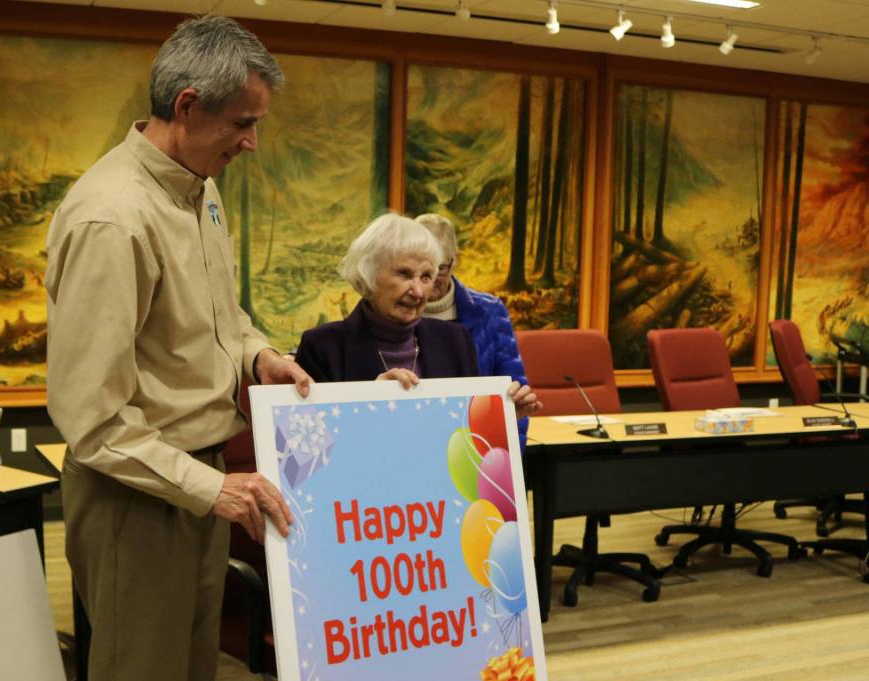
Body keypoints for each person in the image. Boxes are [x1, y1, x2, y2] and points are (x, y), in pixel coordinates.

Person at [44, 16, 312, 681]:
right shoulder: (113, 217)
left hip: (201, 486)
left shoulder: (201, 189)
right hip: (133, 501)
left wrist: (257, 355)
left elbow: (221, 316)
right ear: (188, 106)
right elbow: (92, 418)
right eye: (242, 123)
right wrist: (212, 487)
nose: (252, 143)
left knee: (194, 668)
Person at [294, 214, 542, 420]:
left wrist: (503, 417)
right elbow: (310, 449)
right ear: (367, 276)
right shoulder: (322, 347)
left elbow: (464, 431)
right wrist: (367, 405)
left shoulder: (455, 340)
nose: (418, 291)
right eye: (404, 274)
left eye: (426, 277)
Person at [416, 213, 530, 446]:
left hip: (474, 446)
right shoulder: (394, 314)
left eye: (441, 268)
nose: (431, 279)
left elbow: (513, 393)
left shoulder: (489, 312)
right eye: (422, 270)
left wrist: (508, 462)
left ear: (454, 261)